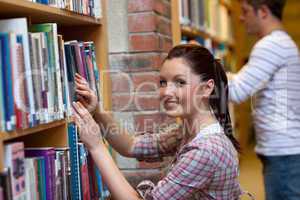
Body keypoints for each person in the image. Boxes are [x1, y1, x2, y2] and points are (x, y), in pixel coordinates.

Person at [72, 44, 243, 200]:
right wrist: (97, 110)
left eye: (180, 82)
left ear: (207, 88)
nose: (167, 91)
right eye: (163, 82)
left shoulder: (205, 150)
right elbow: (131, 146)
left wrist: (96, 146)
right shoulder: (187, 131)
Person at [227, 0, 300, 199]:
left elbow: (237, 92)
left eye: (245, 11)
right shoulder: (281, 43)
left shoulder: (270, 45)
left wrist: (201, 66)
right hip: (286, 149)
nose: (241, 18)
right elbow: (242, 80)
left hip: (283, 152)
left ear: (264, 12)